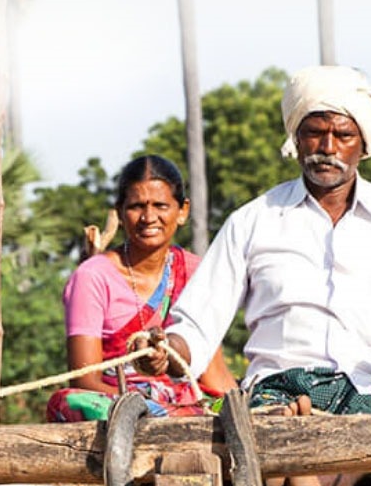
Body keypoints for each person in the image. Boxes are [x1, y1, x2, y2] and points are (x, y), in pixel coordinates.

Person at [147, 65, 371, 486]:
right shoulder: (253, 221)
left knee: (362, 433)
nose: (327, 148)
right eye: (314, 133)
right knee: (262, 426)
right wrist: (167, 350)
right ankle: (294, 480)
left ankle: (298, 483)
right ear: (296, 138)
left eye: (341, 135)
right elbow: (197, 325)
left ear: (364, 143)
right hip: (279, 390)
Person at [47, 155, 236, 422]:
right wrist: (144, 406)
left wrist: (245, 409)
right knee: (69, 401)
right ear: (121, 212)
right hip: (117, 404)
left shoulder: (196, 271)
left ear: (182, 211)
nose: (149, 217)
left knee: (239, 405)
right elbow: (84, 379)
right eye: (137, 206)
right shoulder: (92, 276)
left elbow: (212, 369)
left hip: (185, 404)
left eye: (160, 205)